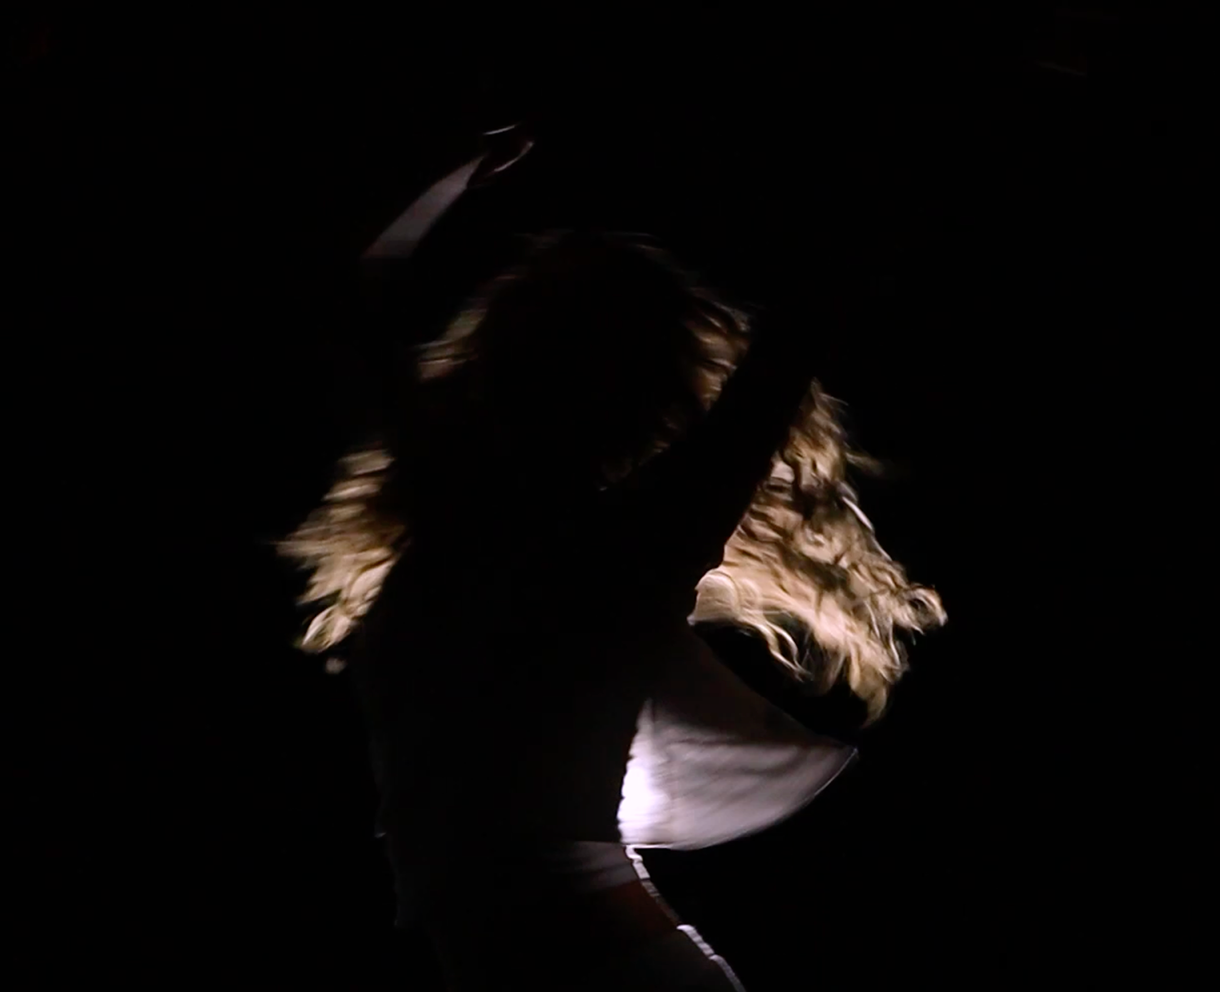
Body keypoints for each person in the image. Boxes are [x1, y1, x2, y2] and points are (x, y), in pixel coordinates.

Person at [279, 158, 946, 987]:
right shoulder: (449, 507)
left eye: (570, 345)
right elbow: (353, 292)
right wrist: (461, 161)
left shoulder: (639, 536)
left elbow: (797, 335)